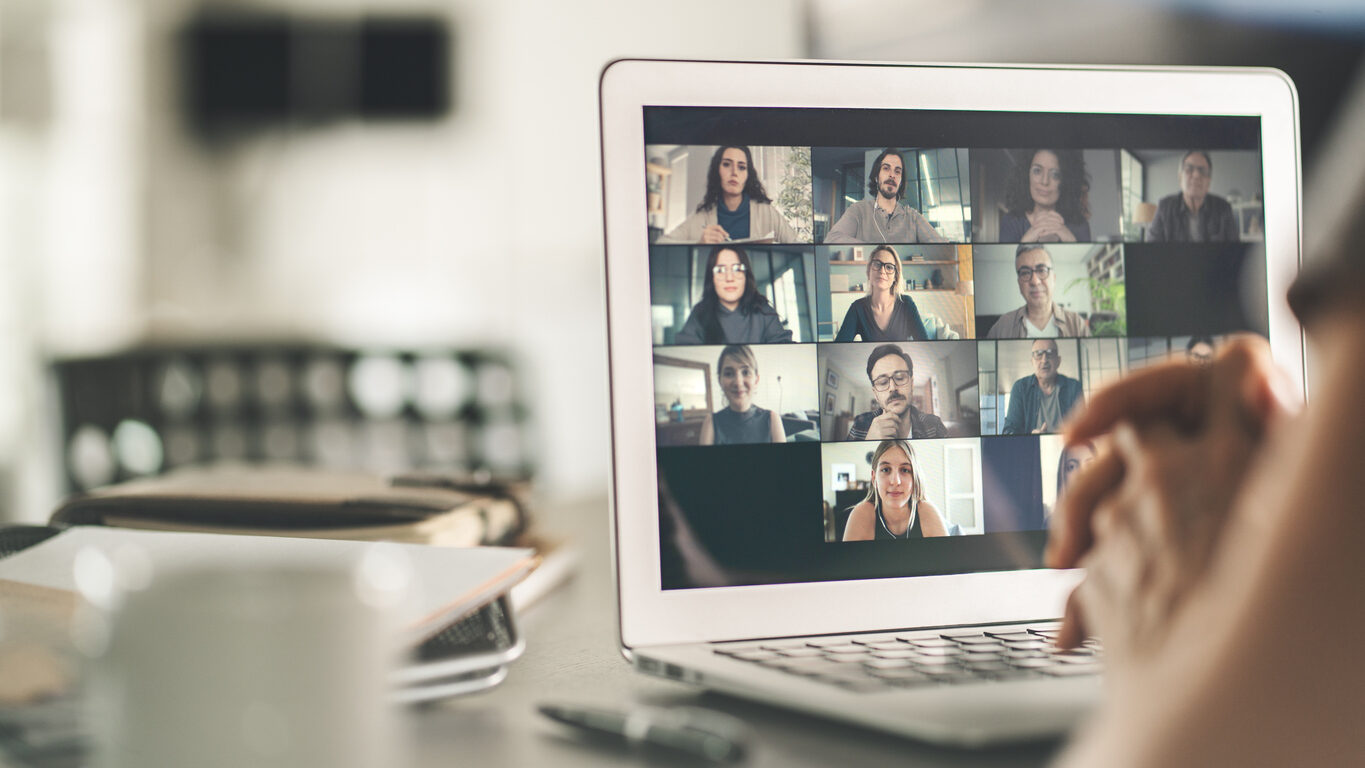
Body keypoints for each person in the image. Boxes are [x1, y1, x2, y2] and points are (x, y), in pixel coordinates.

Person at [656, 145, 801, 244]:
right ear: (716, 171)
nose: (734, 173)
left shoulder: (766, 211)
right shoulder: (702, 216)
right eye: (726, 164)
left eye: (741, 167)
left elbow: (797, 243)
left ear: (747, 175)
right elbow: (661, 243)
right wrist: (699, 243)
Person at [833, 245, 960, 341]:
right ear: (869, 272)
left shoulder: (906, 304)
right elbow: (839, 347)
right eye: (877, 264)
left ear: (895, 276)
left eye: (889, 267)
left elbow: (924, 344)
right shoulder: (857, 308)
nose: (882, 271)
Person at [824, 148, 948, 244]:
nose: (892, 175)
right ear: (876, 177)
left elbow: (940, 244)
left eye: (897, 171)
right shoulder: (858, 210)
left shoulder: (913, 217)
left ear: (900, 181)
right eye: (886, 168)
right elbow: (832, 239)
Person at [674, 246, 793, 345]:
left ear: (746, 275)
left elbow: (783, 348)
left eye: (737, 269)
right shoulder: (700, 313)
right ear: (712, 278)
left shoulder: (763, 310)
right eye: (720, 270)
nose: (729, 278)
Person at [842, 439, 948, 540]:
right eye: (886, 469)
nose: (895, 481)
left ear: (915, 478)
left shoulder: (928, 513)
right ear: (874, 478)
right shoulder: (862, 515)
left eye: (905, 470)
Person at [985, 244, 1091, 338]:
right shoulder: (1002, 327)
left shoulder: (1076, 324)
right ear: (1019, 283)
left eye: (1042, 270)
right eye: (1025, 273)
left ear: (1053, 279)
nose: (1035, 281)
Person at [845, 344, 948, 441]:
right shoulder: (860, 425)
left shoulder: (934, 425)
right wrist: (869, 443)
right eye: (883, 382)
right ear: (875, 394)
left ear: (911, 384)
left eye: (900, 378)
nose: (893, 388)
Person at [1144, 150, 1240, 243]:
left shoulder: (1224, 208)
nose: (1196, 175)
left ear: (1208, 182)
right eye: (1189, 169)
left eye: (1202, 171)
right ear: (1180, 178)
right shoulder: (1164, 207)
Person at [998, 149, 1092, 243]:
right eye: (1037, 171)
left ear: (1065, 181)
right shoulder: (1010, 222)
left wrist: (1071, 242)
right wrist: (1026, 241)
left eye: (1055, 175)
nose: (1045, 181)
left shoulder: (1080, 226)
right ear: (1027, 175)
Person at [698, 345, 785, 446]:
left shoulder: (772, 419)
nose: (738, 382)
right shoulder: (711, 423)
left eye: (745, 372)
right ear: (720, 381)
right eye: (729, 373)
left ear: (756, 380)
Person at [1001, 339, 1083, 435]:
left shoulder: (1073, 387)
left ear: (1058, 360)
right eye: (1038, 354)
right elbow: (1009, 431)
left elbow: (1085, 427)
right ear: (1032, 361)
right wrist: (1031, 437)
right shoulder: (1020, 388)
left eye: (1050, 353)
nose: (1044, 360)